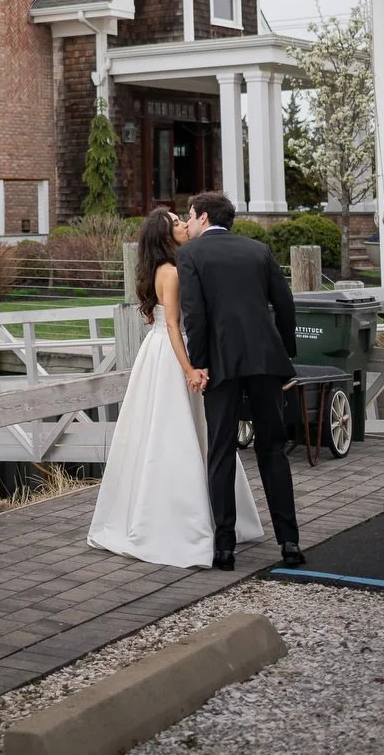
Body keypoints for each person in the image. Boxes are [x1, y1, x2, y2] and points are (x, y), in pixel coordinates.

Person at [87, 207, 264, 567]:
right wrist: (190, 368)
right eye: (178, 223)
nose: (185, 224)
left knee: (178, 431)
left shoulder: (166, 267)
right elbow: (172, 326)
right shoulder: (170, 271)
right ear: (167, 236)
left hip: (159, 352)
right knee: (175, 433)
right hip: (173, 354)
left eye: (184, 220)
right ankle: (182, 523)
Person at [176, 190, 305, 572]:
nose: (188, 220)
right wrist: (286, 358)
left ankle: (225, 548)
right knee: (273, 449)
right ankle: (290, 542)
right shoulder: (258, 250)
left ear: (201, 217)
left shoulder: (190, 255)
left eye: (189, 214)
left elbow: (195, 315)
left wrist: (198, 364)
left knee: (221, 451)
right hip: (265, 361)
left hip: (220, 365)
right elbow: (284, 304)